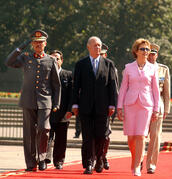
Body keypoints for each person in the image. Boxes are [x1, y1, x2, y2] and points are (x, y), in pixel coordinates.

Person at [5, 30, 61, 171]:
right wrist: (21, 46)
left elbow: (56, 84)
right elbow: (9, 61)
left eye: (40, 42)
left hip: (45, 101)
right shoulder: (25, 58)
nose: (38, 44)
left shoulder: (51, 60)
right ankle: (30, 163)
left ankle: (42, 158)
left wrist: (56, 103)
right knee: (29, 134)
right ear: (32, 44)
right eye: (35, 42)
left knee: (44, 128)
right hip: (28, 101)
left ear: (45, 44)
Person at [72, 36, 117, 175]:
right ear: (88, 47)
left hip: (103, 107)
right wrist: (74, 104)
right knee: (87, 137)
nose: (98, 48)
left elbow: (112, 86)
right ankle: (89, 163)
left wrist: (112, 105)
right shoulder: (81, 64)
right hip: (85, 107)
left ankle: (99, 159)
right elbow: (76, 86)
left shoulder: (108, 64)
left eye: (99, 45)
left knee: (101, 136)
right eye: (95, 45)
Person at [117, 38, 160, 176]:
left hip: (146, 105)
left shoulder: (153, 68)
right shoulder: (128, 67)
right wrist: (119, 107)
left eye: (147, 49)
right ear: (136, 51)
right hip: (130, 105)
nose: (146, 51)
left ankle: (136, 165)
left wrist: (156, 109)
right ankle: (136, 158)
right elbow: (123, 88)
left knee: (141, 136)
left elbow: (156, 90)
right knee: (131, 137)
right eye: (143, 49)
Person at [45, 50, 73, 169]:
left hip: (63, 113)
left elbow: (72, 94)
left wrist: (70, 110)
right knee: (46, 137)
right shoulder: (45, 74)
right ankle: (45, 159)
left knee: (61, 139)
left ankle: (59, 160)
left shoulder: (68, 75)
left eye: (57, 58)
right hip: (47, 112)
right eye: (52, 58)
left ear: (62, 60)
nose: (55, 60)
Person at [146, 43, 170, 174]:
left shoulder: (163, 69)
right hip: (142, 105)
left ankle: (151, 163)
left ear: (157, 55)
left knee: (155, 136)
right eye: (149, 54)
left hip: (157, 106)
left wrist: (166, 108)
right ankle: (139, 158)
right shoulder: (140, 67)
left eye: (153, 54)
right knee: (138, 136)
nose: (151, 56)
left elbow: (166, 91)